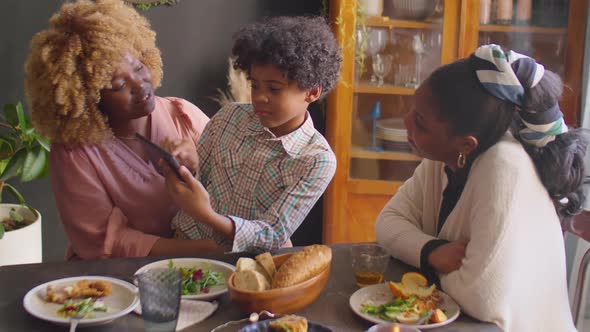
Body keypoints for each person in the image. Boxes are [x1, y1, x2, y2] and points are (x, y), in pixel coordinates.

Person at [375, 44, 588, 331]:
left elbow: (481, 298)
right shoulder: (442, 158)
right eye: (413, 109)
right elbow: (386, 224)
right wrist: (432, 252)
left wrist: (417, 254)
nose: (406, 121)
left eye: (421, 122)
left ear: (466, 144)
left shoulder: (504, 167)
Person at [25, 0, 216, 260]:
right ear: (88, 98)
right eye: (118, 85)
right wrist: (202, 250)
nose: (140, 85)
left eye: (138, 67)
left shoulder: (182, 115)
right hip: (118, 282)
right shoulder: (76, 154)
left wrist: (199, 165)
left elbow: (236, 185)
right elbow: (106, 243)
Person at [163, 16, 341, 253]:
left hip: (246, 266)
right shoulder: (229, 117)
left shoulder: (316, 160)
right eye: (255, 85)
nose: (259, 97)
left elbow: (272, 233)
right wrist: (185, 165)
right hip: (185, 246)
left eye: (274, 89)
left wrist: (206, 215)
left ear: (312, 91)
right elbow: (199, 177)